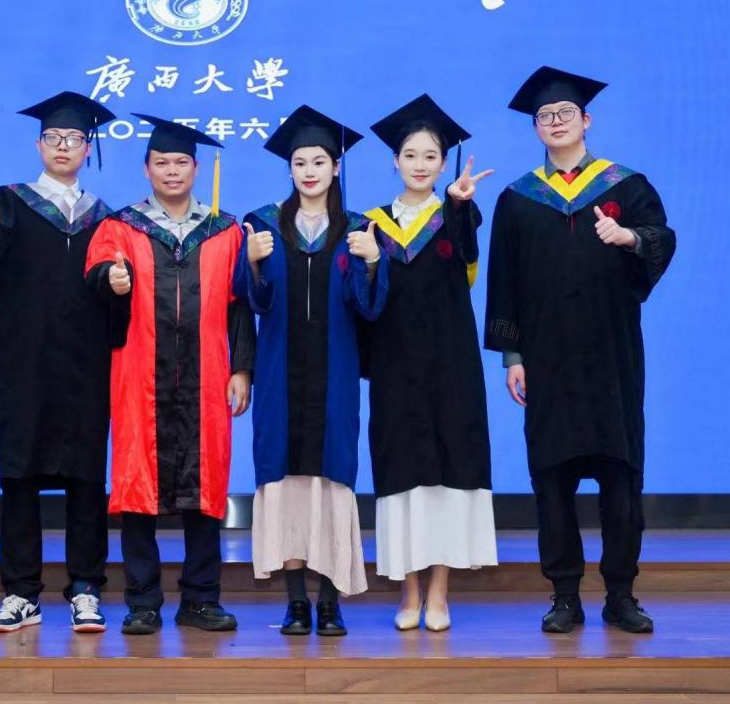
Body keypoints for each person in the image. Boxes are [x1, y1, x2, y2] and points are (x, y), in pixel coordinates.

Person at [484, 66, 676, 634]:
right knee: (552, 476)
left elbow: (662, 237)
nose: (555, 122)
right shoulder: (517, 200)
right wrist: (513, 356)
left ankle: (621, 594)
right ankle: (564, 595)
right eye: (544, 116)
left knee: (621, 474)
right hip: (546, 356)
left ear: (586, 120)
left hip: (612, 354)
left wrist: (630, 237)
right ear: (535, 128)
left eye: (565, 113)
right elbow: (503, 281)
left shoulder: (626, 187)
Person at [84, 115, 255, 635]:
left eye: (181, 161)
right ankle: (142, 601)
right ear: (147, 168)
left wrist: (242, 369)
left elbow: (240, 307)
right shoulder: (121, 227)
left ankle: (201, 598)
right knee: (138, 483)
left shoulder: (225, 231)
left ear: (196, 168)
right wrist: (110, 280)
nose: (172, 170)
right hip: (140, 375)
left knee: (206, 484)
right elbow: (97, 278)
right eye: (162, 162)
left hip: (209, 375)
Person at [0, 91, 118, 634]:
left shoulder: (106, 218)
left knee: (86, 478)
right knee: (19, 476)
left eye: (74, 139)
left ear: (87, 149)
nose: (63, 146)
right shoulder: (8, 205)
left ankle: (86, 588)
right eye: (53, 138)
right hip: (24, 362)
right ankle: (20, 592)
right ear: (38, 145)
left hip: (85, 365)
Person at [242, 105, 386, 637]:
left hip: (335, 376)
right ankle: (296, 601)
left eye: (319, 161)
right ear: (289, 168)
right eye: (300, 162)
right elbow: (255, 302)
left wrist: (372, 261)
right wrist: (251, 262)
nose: (309, 171)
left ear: (335, 167)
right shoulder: (262, 224)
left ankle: (329, 600)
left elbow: (369, 307)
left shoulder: (358, 228)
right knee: (286, 487)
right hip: (279, 375)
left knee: (331, 483)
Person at [363, 94, 499, 632]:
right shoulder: (371, 226)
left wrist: (459, 204)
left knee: (446, 475)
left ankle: (439, 591)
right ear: (394, 161)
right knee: (402, 476)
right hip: (395, 368)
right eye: (410, 155)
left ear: (444, 165)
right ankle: (409, 591)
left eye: (430, 156)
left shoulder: (456, 215)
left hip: (450, 367)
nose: (420, 164)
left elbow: (468, 257)